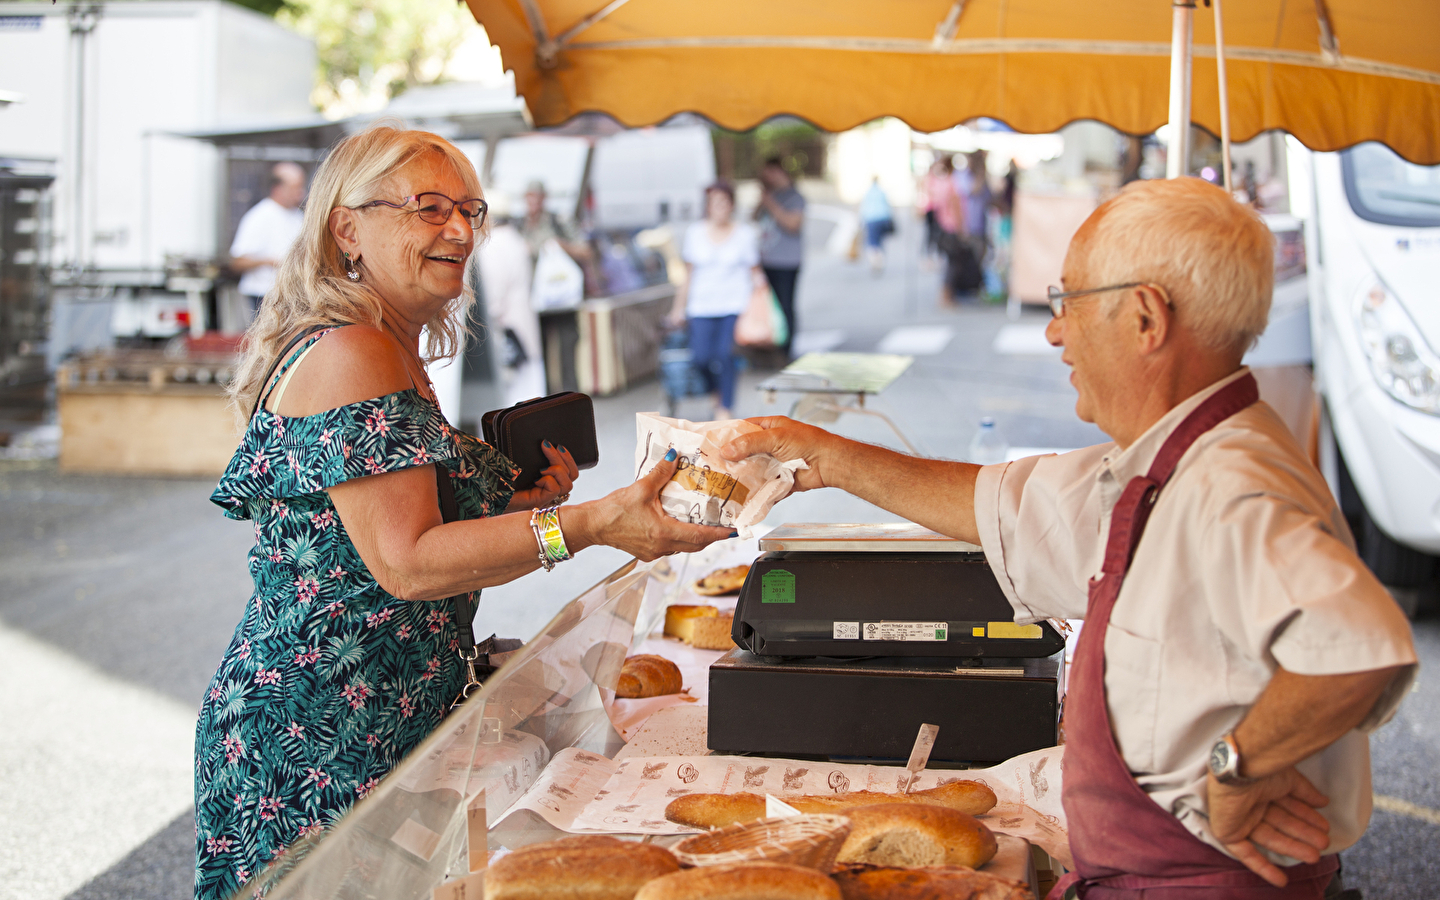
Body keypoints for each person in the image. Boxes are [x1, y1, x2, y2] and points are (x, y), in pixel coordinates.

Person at [720, 177, 1417, 899]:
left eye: (1070, 303)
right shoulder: (1169, 458)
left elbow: (1355, 654)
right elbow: (1001, 505)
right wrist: (822, 456)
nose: (1056, 331)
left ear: (1146, 317)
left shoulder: (1230, 481)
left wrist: (1232, 767)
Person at [194, 125, 731, 900]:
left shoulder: (390, 345)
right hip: (316, 733)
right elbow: (407, 563)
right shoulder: (355, 350)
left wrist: (518, 510)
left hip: (384, 715)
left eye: (470, 210)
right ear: (348, 226)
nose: (459, 230)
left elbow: (429, 543)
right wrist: (590, 524)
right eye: (428, 208)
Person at [669, 181, 762, 420]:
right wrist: (678, 309)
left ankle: (725, 408)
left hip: (733, 305)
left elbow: (754, 272)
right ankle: (715, 392)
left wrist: (761, 302)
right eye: (715, 202)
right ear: (708, 206)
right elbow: (688, 274)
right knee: (700, 357)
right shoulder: (695, 233)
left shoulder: (744, 234)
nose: (720, 207)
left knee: (725, 354)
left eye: (724, 201)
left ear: (732, 205)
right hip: (701, 306)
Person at [476, 200, 545, 405]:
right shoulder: (515, 239)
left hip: (507, 332)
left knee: (510, 402)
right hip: (524, 325)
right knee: (529, 395)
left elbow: (494, 295)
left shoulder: (493, 245)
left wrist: (486, 318)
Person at [230, 162, 307, 316]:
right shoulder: (260, 216)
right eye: (295, 188)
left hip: (293, 295)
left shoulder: (298, 216)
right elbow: (237, 261)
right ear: (278, 188)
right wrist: (272, 262)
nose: (301, 193)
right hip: (263, 295)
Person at [752, 157, 805, 359]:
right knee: (767, 306)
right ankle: (768, 347)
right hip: (766, 260)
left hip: (787, 262)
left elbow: (793, 225)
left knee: (785, 305)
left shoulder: (794, 197)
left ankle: (786, 349)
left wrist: (771, 203)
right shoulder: (769, 195)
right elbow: (754, 217)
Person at [858, 176, 894, 275]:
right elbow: (887, 206)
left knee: (872, 242)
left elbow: (863, 208)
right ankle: (879, 259)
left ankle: (875, 260)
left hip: (871, 219)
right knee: (879, 240)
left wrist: (861, 221)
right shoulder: (881, 192)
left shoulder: (868, 193)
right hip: (883, 218)